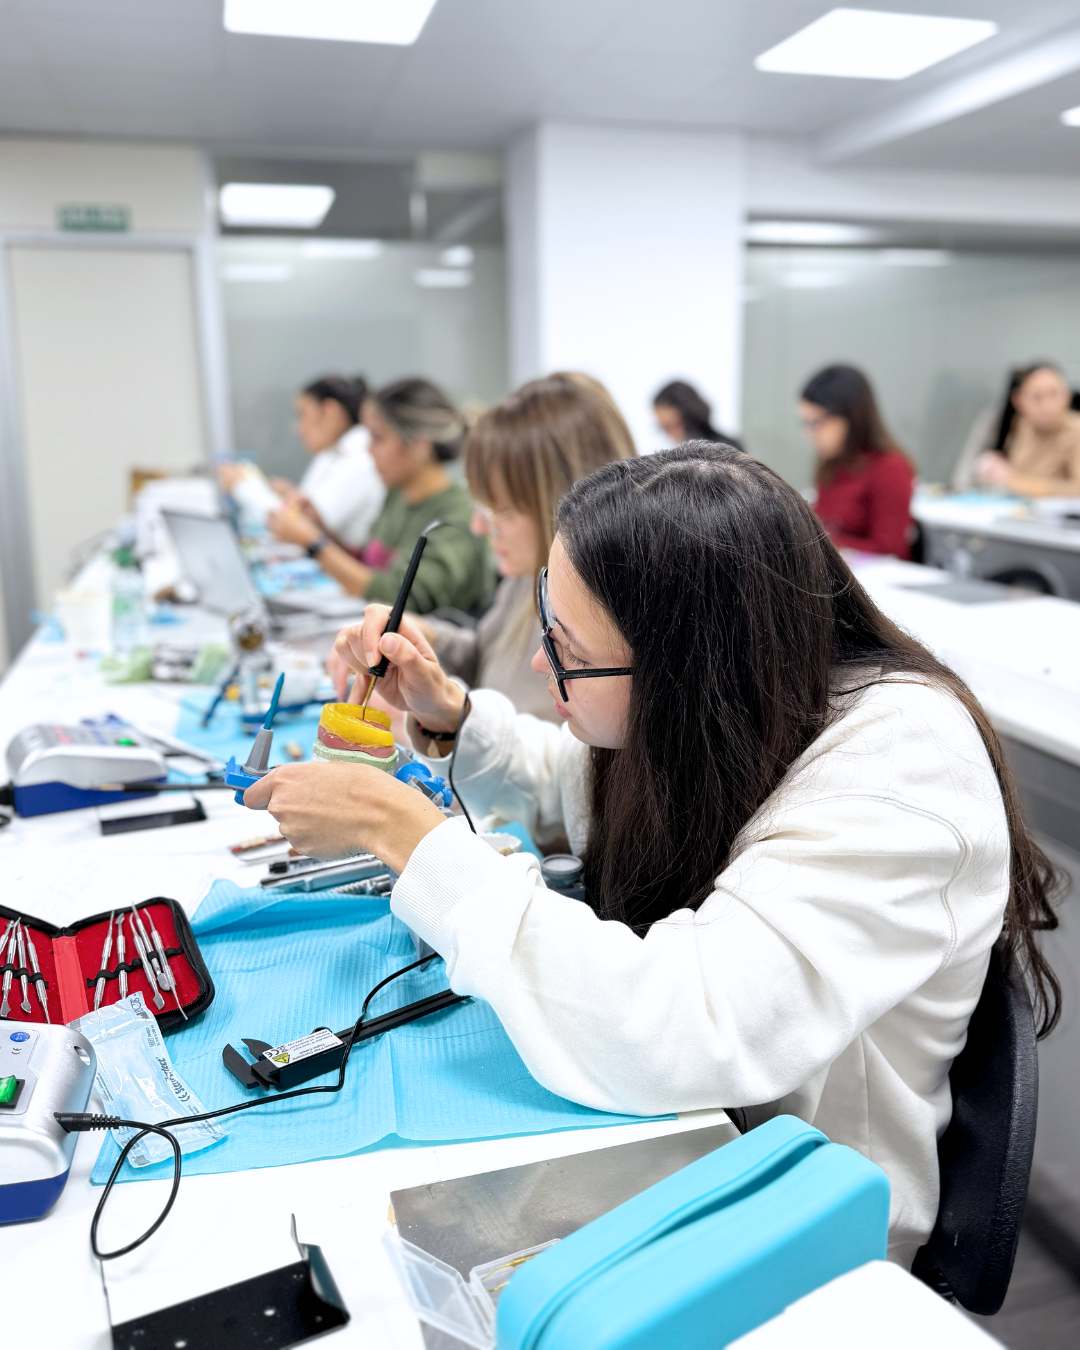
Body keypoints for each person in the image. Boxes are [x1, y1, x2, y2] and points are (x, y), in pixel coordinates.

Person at [246, 443, 1059, 1269]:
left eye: (563, 645)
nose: (539, 663)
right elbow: (585, 783)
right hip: (707, 1135)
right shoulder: (747, 693)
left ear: (684, 664)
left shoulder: (902, 774)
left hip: (809, 1224)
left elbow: (681, 1028)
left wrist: (406, 836)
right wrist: (450, 711)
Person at [408, 372, 635, 725]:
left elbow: (554, 760)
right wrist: (427, 636)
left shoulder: (604, 621)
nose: (479, 527)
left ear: (568, 501)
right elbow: (486, 656)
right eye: (482, 507)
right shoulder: (528, 572)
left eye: (504, 511)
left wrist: (451, 717)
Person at [271, 377, 495, 614]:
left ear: (420, 446)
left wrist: (314, 543)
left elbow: (400, 597)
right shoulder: (397, 495)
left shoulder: (457, 516)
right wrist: (319, 528)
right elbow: (368, 566)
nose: (368, 449)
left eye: (378, 438)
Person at [220, 375, 385, 546]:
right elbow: (302, 512)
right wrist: (288, 494)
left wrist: (242, 486)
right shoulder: (330, 454)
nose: (297, 429)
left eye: (302, 415)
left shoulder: (358, 460)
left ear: (330, 412)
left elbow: (300, 528)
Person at [800, 365, 915, 559]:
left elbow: (889, 549)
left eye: (816, 423)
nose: (809, 434)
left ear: (849, 416)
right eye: (805, 423)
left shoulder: (890, 468)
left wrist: (819, 542)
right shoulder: (831, 464)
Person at [974, 363, 1080, 497]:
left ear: (1067, 396)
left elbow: (1077, 489)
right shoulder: (1021, 425)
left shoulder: (1076, 431)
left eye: (1054, 394)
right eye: (1037, 397)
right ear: (1017, 400)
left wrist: (1013, 480)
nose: (1047, 406)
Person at [653, 380, 742, 450]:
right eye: (664, 429)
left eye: (672, 426)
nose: (670, 434)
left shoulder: (727, 451)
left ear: (690, 418)